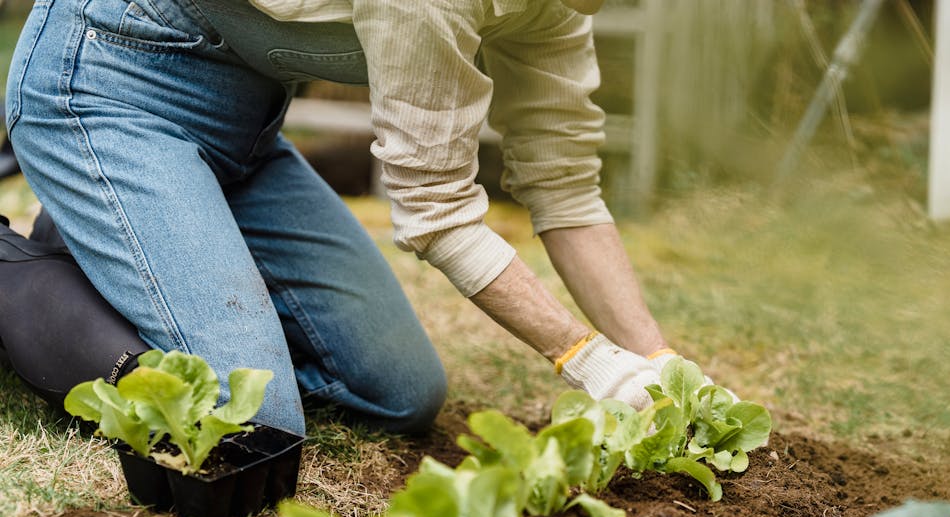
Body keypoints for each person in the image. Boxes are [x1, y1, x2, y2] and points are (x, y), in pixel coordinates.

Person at [3, 0, 700, 437]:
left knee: (400, 393)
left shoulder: (560, 7)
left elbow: (566, 186)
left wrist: (656, 360)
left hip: (244, 131)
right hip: (106, 85)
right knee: (253, 422)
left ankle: (107, 237)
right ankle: (22, 270)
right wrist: (587, 358)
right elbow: (437, 215)